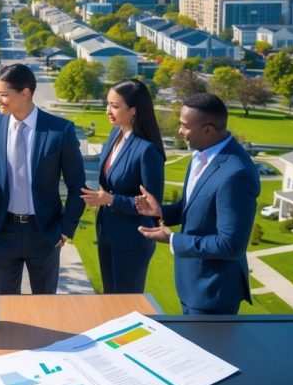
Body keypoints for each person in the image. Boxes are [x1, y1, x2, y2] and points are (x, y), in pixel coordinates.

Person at [135, 93, 259, 315]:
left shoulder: (237, 174)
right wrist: (160, 211)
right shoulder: (201, 156)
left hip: (213, 292)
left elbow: (230, 246)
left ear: (208, 130)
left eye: (184, 126)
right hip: (190, 285)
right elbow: (191, 207)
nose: (180, 131)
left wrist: (172, 239)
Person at [0, 63, 86, 294]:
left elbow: (77, 187)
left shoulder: (60, 130)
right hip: (1, 231)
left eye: (3, 94)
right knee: (1, 307)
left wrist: (65, 230)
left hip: (44, 234)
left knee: (45, 306)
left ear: (25, 93)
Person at [79, 79, 165, 293]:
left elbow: (152, 205)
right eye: (108, 104)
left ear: (133, 110)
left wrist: (110, 199)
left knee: (127, 305)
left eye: (115, 106)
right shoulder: (115, 134)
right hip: (106, 232)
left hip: (131, 240)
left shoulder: (147, 151)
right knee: (110, 300)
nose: (108, 110)